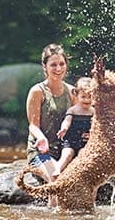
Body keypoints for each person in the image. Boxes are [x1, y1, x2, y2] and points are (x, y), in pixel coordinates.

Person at [26, 43, 76, 187]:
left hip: (65, 152)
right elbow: (33, 126)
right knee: (56, 177)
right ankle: (54, 210)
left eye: (62, 64)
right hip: (41, 152)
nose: (58, 68)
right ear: (45, 67)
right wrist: (41, 138)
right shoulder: (37, 91)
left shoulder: (72, 92)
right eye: (53, 65)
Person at [53, 77, 95, 177]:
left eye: (90, 96)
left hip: (85, 142)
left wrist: (91, 134)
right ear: (76, 95)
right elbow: (67, 121)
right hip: (71, 140)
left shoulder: (94, 111)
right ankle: (58, 169)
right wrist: (64, 129)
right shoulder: (73, 110)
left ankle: (78, 173)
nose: (87, 100)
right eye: (83, 96)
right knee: (67, 154)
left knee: (83, 154)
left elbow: (96, 126)